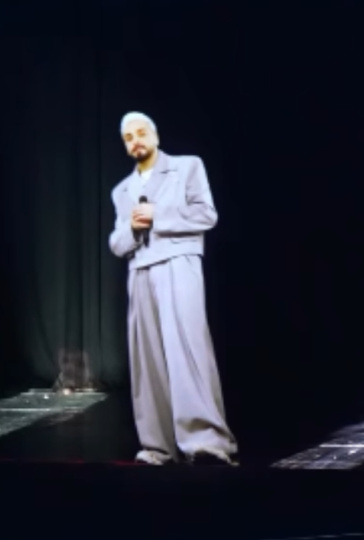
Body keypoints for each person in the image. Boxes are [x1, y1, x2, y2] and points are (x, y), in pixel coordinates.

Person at [108, 111, 237, 466]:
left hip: (179, 262)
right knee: (147, 360)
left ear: (155, 135)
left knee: (187, 351)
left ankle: (206, 443)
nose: (135, 141)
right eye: (128, 137)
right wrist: (133, 229)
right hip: (140, 270)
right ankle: (158, 446)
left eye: (140, 133)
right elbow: (116, 243)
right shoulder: (122, 190)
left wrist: (157, 217)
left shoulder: (187, 167)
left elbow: (206, 214)